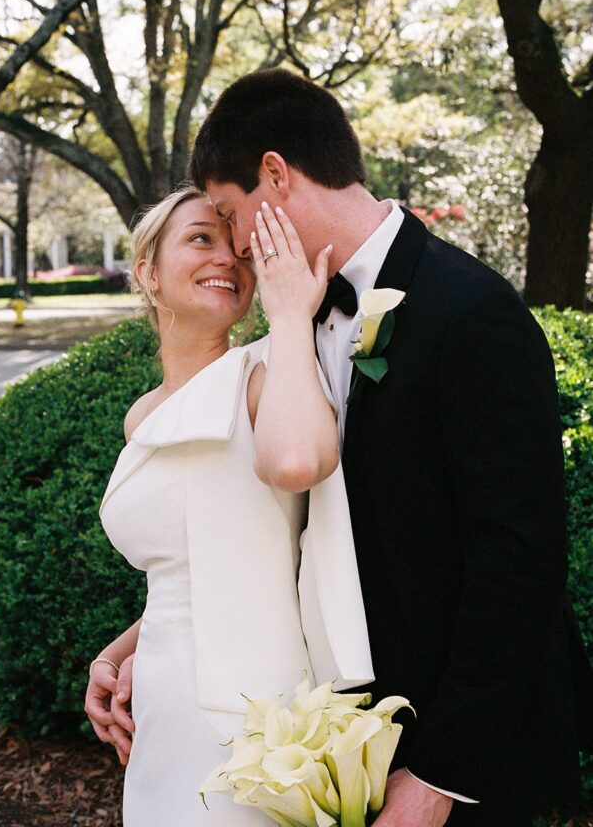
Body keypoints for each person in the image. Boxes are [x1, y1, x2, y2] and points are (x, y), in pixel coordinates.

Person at [183, 67, 591, 827]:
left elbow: (519, 560)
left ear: (275, 174)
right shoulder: (287, 330)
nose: (235, 248)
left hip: (461, 761)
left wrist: (439, 775)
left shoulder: (472, 314)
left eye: (230, 215)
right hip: (341, 746)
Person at [85, 184, 373, 825]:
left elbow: (299, 463)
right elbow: (195, 569)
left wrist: (292, 315)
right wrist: (115, 655)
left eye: (235, 245)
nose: (227, 258)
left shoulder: (267, 378)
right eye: (199, 239)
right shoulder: (142, 416)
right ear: (147, 274)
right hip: (162, 708)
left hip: (252, 717)